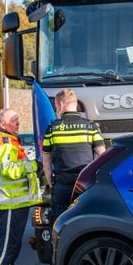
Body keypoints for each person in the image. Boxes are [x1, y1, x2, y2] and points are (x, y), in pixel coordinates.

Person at [0, 108, 42, 265]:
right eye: (14, 120)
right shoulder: (4, 142)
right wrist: (33, 165)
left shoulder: (10, 141)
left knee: (13, 244)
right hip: (7, 202)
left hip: (13, 202)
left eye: (18, 120)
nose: (18, 123)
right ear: (3, 124)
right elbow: (9, 170)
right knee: (6, 244)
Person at [42, 89, 106, 220]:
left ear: (61, 105)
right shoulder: (90, 127)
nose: (56, 109)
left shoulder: (52, 129)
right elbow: (103, 157)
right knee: (86, 221)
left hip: (62, 185)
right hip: (85, 185)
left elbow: (46, 163)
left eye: (55, 106)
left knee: (60, 224)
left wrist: (52, 184)